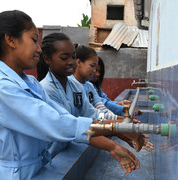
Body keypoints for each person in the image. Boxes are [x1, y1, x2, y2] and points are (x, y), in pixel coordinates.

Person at [0, 10, 145, 179]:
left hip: (36, 168)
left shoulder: (30, 82)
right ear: (11, 40)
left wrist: (117, 125)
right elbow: (56, 124)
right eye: (34, 40)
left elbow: (64, 116)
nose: (38, 49)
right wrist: (115, 127)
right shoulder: (1, 87)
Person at [37, 32, 153, 170]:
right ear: (47, 59)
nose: (70, 62)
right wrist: (115, 137)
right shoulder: (47, 89)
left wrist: (121, 129)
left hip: (67, 150)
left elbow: (93, 115)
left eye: (73, 57)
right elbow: (70, 126)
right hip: (51, 157)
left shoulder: (76, 87)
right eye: (64, 58)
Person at [71, 44, 123, 120]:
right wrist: (116, 119)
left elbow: (100, 107)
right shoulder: (71, 85)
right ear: (79, 62)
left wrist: (114, 119)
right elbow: (90, 112)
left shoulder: (89, 86)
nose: (94, 71)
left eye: (96, 67)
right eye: (92, 66)